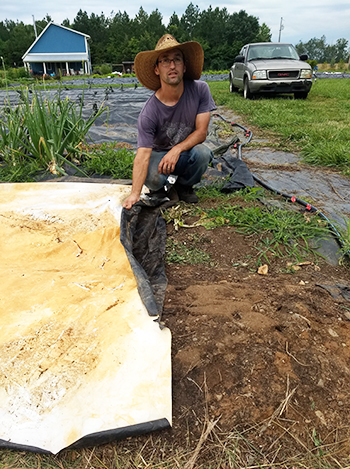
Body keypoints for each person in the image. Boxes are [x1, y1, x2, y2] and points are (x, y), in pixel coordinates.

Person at [122, 34, 216, 209]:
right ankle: (160, 190)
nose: (172, 66)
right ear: (157, 69)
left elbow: (201, 132)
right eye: (165, 61)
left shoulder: (200, 90)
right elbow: (142, 155)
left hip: (185, 153)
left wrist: (177, 149)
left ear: (184, 66)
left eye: (177, 60)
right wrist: (135, 194)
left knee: (203, 154)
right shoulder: (149, 112)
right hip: (159, 156)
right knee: (153, 175)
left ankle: (184, 186)